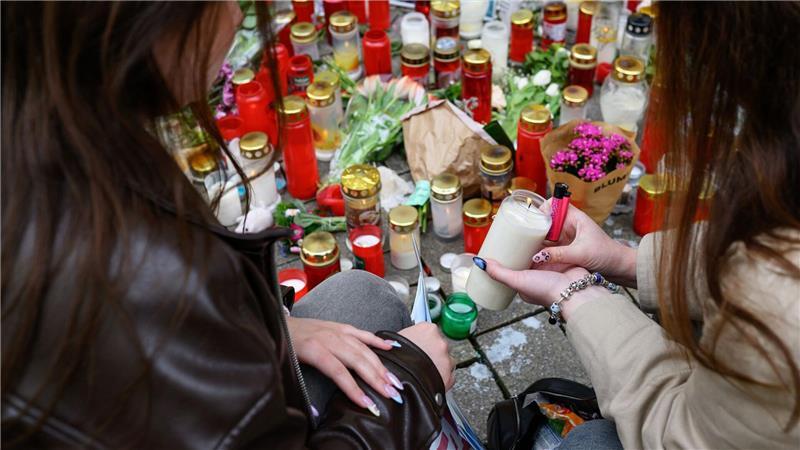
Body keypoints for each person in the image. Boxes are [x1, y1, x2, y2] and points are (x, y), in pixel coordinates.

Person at [1, 3, 454, 448]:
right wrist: (411, 384)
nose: (237, 17)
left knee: (361, 297)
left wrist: (278, 325)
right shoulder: (149, 278)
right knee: (393, 342)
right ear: (150, 23)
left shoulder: (48, 131)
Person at [474, 2, 800, 448]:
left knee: (586, 442)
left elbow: (676, 434)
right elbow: (752, 256)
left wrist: (576, 293)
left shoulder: (779, 303)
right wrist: (625, 260)